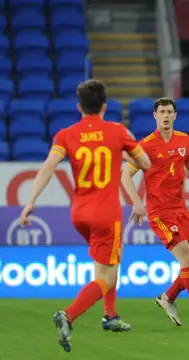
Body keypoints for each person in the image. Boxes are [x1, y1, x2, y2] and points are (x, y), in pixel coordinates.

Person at [18, 79, 152, 352]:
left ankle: (110, 315)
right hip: (106, 214)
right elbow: (145, 163)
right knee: (108, 276)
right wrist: (124, 156)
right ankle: (69, 315)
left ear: (80, 107)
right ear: (104, 107)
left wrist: (30, 201)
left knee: (112, 256)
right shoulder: (117, 132)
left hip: (79, 213)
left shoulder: (67, 134)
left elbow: (47, 168)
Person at [121, 97, 189, 328]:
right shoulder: (146, 145)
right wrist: (136, 202)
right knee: (188, 259)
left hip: (181, 210)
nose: (165, 115)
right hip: (160, 213)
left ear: (175, 115)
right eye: (161, 111)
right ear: (155, 116)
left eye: (169, 111)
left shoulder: (185, 141)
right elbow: (125, 176)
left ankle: (168, 297)